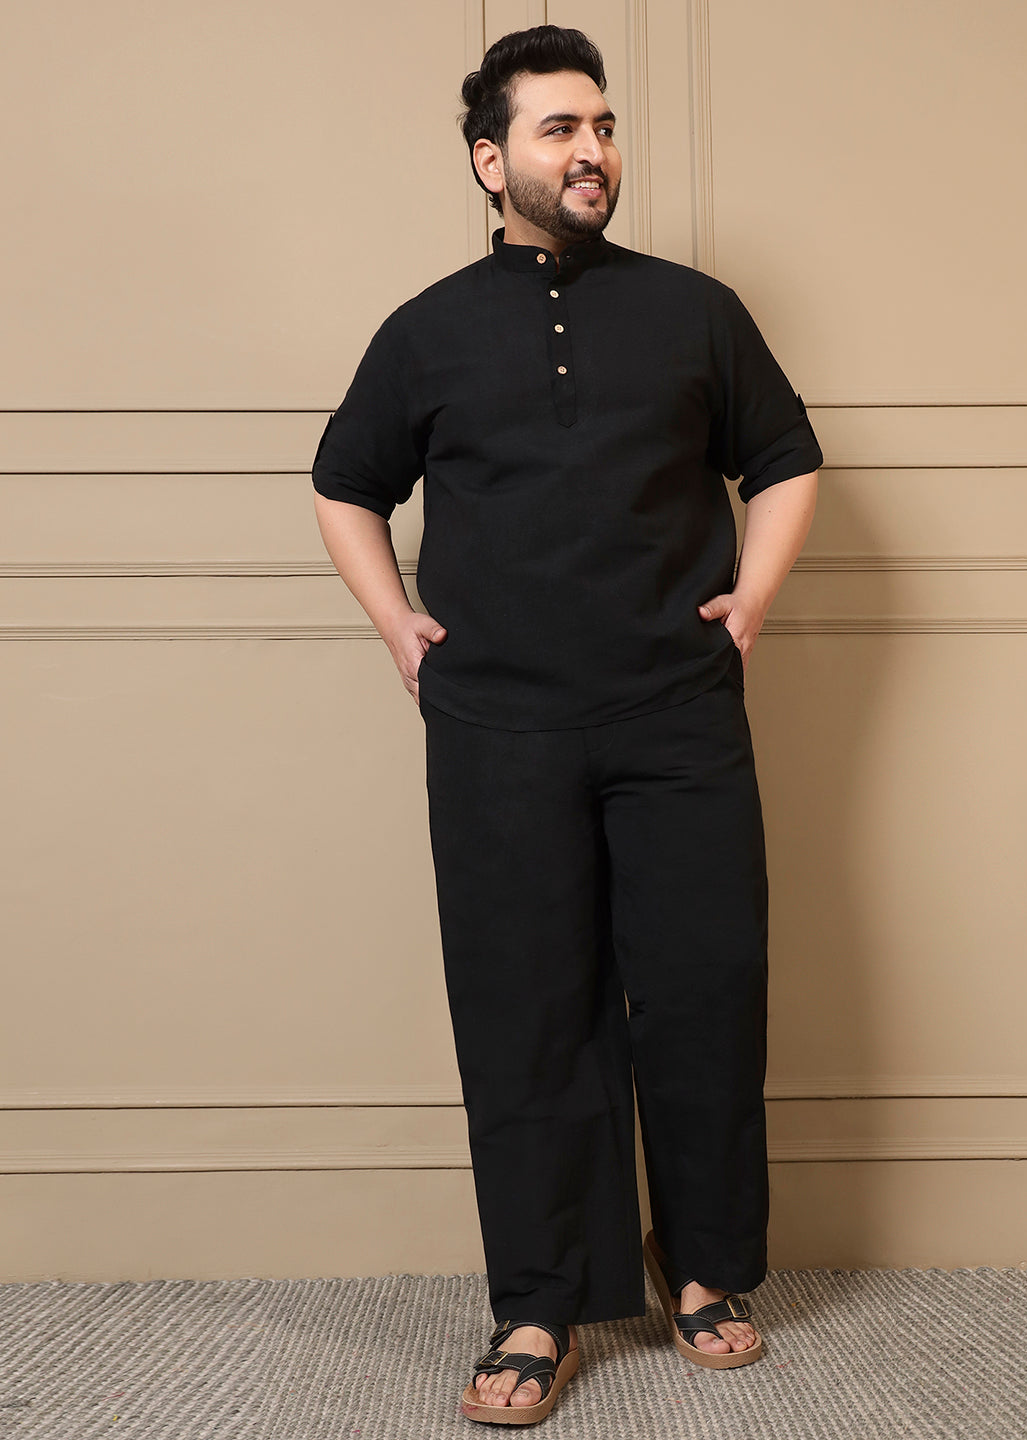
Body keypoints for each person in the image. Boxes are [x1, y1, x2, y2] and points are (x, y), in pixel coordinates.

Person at [312, 24, 822, 1426]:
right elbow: (345, 484)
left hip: (678, 714)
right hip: (498, 729)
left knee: (705, 989)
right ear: (492, 161)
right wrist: (398, 625)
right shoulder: (426, 329)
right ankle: (541, 1300)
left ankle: (703, 1268)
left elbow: (785, 459)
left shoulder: (695, 310)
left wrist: (752, 600)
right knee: (528, 1008)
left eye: (602, 125)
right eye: (558, 129)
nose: (592, 150)